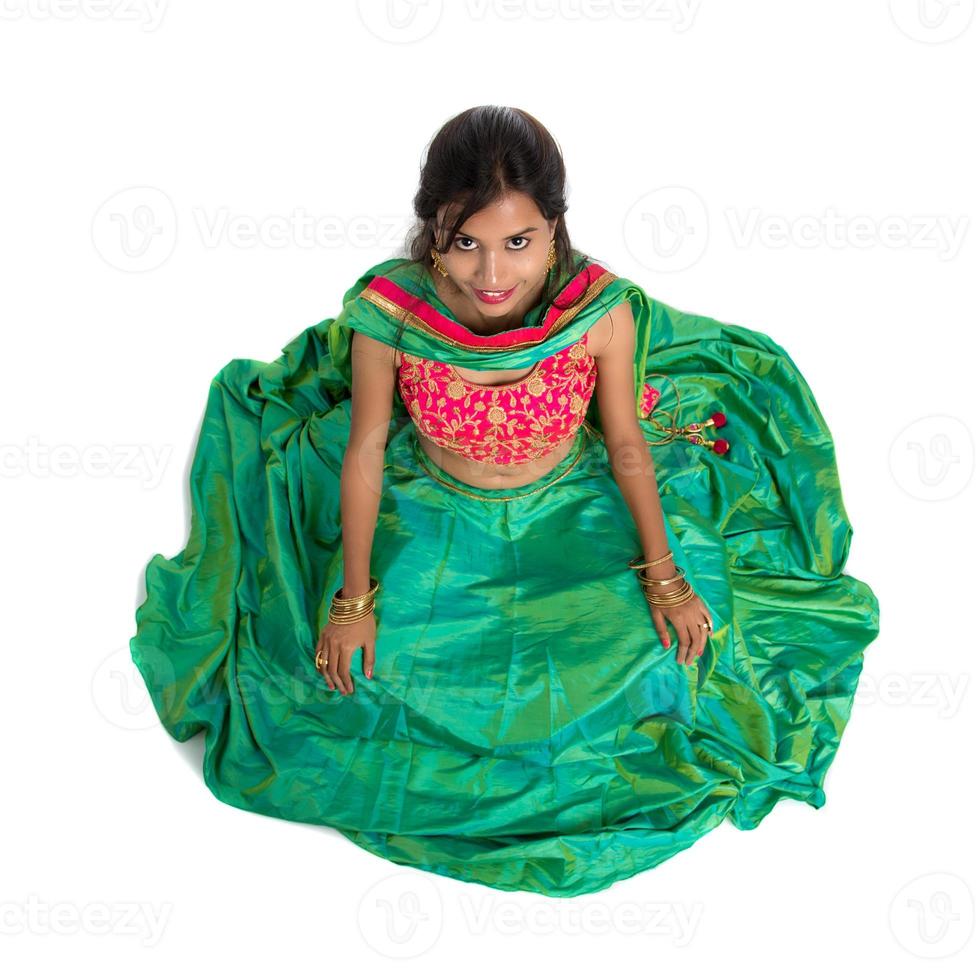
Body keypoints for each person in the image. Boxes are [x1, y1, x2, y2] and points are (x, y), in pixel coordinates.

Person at [130, 105, 880, 898]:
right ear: (433, 238)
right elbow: (366, 447)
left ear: (555, 230)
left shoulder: (598, 315)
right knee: (352, 680)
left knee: (667, 658)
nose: (493, 275)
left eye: (518, 243)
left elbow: (625, 441)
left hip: (571, 509)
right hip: (427, 516)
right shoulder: (393, 317)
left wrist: (663, 573)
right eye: (467, 245)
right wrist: (354, 597)